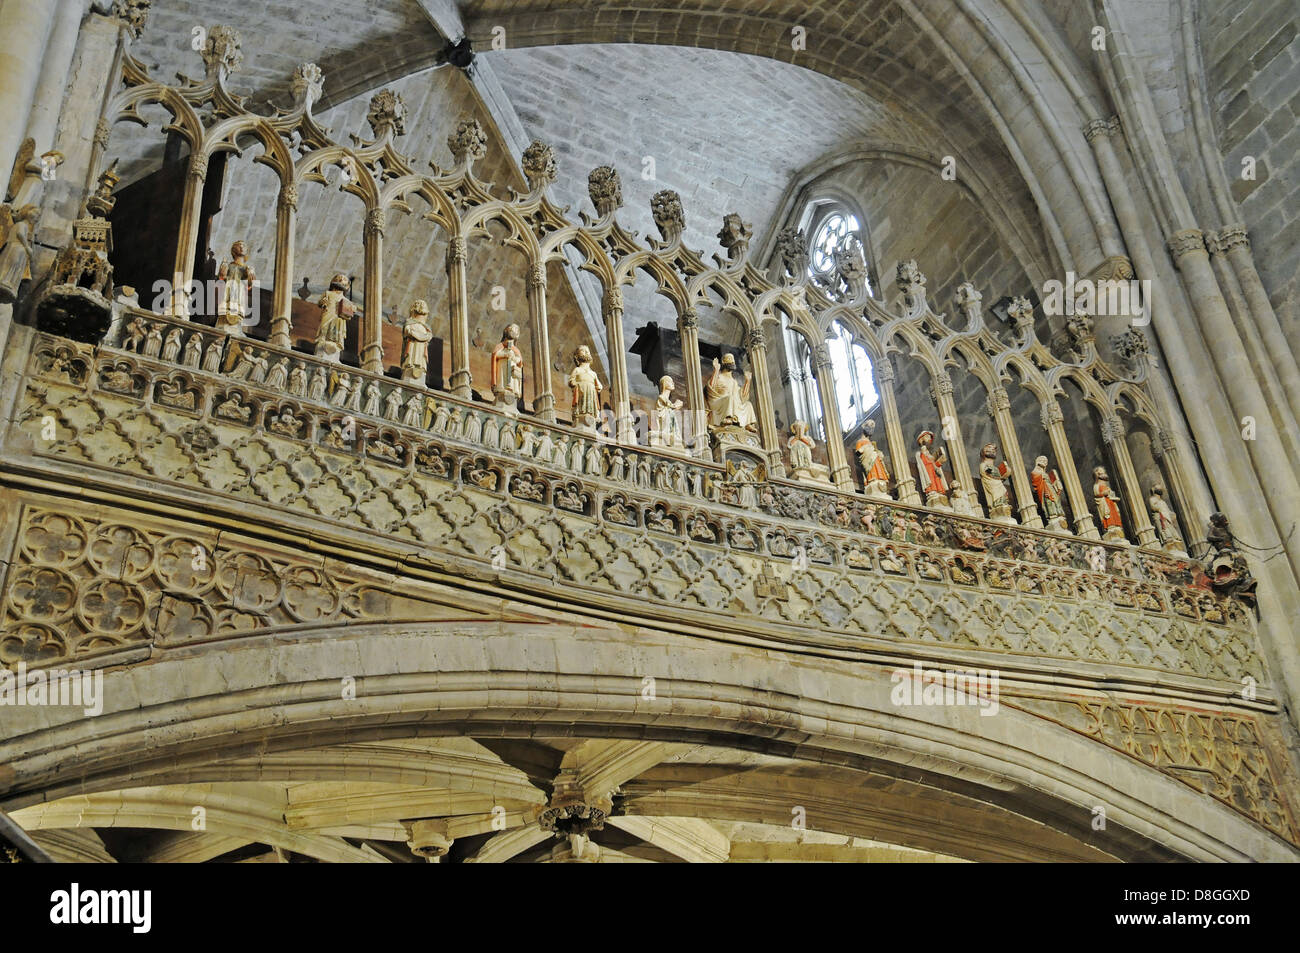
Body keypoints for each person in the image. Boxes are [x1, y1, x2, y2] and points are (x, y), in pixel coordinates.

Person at [705, 353, 756, 431]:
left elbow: (742, 397)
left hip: (732, 403)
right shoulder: (719, 377)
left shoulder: (734, 381)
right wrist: (716, 371)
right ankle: (727, 417)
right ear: (724, 363)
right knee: (730, 398)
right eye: (729, 360)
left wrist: (747, 381)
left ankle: (747, 424)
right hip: (718, 403)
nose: (732, 362)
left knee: (748, 404)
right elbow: (710, 388)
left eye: (732, 361)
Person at [216, 240, 256, 333]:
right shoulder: (230, 265)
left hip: (239, 293)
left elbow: (249, 285)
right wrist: (223, 270)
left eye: (243, 246)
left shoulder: (247, 268)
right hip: (229, 291)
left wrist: (250, 278)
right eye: (239, 246)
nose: (241, 247)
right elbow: (222, 278)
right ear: (234, 250)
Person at [315, 273, 354, 361]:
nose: (340, 280)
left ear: (347, 285)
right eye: (338, 278)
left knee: (337, 331)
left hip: (338, 318)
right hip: (328, 313)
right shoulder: (328, 293)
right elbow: (320, 302)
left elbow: (349, 312)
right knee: (324, 327)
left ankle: (335, 344)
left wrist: (351, 309)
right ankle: (323, 340)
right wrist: (323, 302)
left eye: (343, 279)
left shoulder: (345, 300)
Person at [568, 345, 602, 427]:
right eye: (583, 350)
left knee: (590, 406)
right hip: (581, 390)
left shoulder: (593, 373)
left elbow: (599, 386)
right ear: (577, 356)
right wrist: (576, 384)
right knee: (581, 405)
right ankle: (580, 417)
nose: (586, 352)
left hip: (591, 392)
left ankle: (591, 417)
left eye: (588, 351)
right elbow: (571, 380)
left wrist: (597, 388)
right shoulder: (577, 370)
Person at [1030, 455, 1068, 531]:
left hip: (1051, 488)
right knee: (1049, 501)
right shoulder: (1036, 472)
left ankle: (1059, 515)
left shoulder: (1045, 473)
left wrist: (1056, 482)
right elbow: (1035, 480)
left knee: (1056, 501)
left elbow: (1051, 482)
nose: (1044, 462)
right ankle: (1052, 516)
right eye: (1042, 460)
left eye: (1046, 461)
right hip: (1044, 489)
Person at [491, 323, 524, 405]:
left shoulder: (516, 350)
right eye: (511, 329)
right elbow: (495, 355)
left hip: (512, 371)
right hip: (502, 368)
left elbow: (520, 361)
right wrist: (505, 355)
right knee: (502, 382)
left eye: (516, 330)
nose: (513, 331)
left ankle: (513, 391)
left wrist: (514, 359)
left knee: (512, 382)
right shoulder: (500, 346)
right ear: (506, 331)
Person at [401, 300, 432, 383]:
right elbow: (407, 331)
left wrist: (419, 335)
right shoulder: (410, 323)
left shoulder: (426, 327)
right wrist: (416, 334)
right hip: (412, 343)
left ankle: (420, 368)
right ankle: (410, 366)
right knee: (411, 357)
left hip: (421, 346)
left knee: (420, 359)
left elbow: (429, 336)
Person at [915, 430, 949, 505]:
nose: (929, 439)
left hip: (932, 468)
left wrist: (938, 462)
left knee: (936, 478)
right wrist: (936, 463)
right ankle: (932, 491)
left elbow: (931, 460)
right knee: (931, 479)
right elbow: (926, 460)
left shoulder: (927, 451)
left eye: (930, 438)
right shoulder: (922, 450)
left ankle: (938, 491)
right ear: (922, 439)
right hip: (928, 469)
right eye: (927, 437)